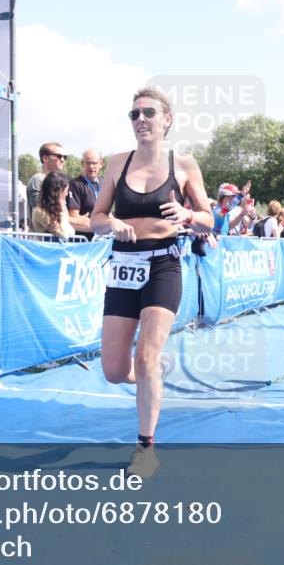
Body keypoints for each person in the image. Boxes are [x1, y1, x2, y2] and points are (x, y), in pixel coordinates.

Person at [90, 87, 214, 475]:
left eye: (148, 113)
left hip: (163, 265)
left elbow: (210, 219)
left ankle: (146, 448)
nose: (140, 119)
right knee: (113, 370)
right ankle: (153, 372)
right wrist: (111, 222)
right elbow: (94, 219)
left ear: (167, 120)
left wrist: (189, 216)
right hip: (124, 265)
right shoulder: (115, 164)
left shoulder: (184, 165)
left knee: (144, 356)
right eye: (134, 115)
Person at [67, 149, 104, 240]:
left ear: (101, 164)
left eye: (94, 163)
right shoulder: (75, 184)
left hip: (103, 239)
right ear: (82, 164)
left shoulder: (104, 182)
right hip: (84, 241)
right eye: (87, 163)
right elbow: (73, 217)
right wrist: (100, 225)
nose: (91, 166)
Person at [27, 142, 67, 223]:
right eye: (58, 156)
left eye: (64, 157)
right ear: (45, 158)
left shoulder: (61, 181)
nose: (62, 159)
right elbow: (41, 213)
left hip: (59, 232)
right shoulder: (38, 179)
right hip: (45, 233)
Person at [32, 171, 75, 239]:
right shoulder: (40, 212)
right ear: (58, 192)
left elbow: (71, 232)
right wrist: (61, 209)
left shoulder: (60, 208)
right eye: (66, 191)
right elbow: (64, 235)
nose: (66, 194)